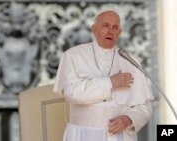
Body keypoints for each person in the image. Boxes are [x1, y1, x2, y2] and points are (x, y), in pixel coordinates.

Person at [53, 8, 154, 141]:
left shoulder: (131, 61)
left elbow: (145, 106)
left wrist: (129, 119)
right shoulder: (73, 56)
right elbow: (72, 93)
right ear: (94, 29)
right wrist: (110, 83)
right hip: (82, 135)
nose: (110, 31)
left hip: (120, 136)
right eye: (106, 26)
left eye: (115, 27)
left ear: (119, 32)